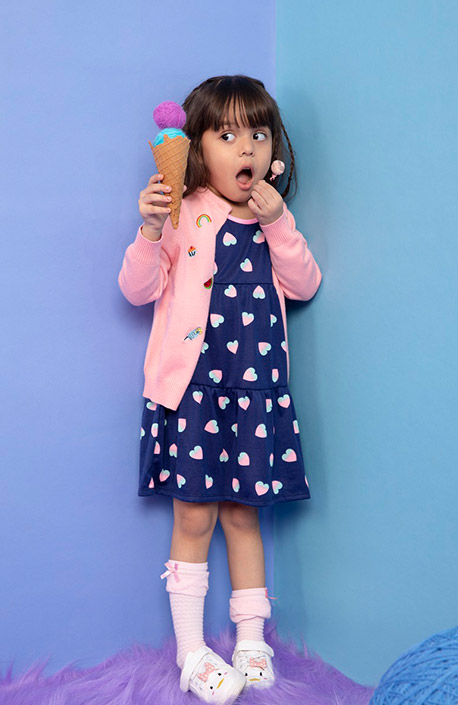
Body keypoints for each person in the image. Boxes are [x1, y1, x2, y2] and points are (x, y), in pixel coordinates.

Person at [118, 75, 322, 704]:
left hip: (255, 391)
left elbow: (305, 282)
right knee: (194, 515)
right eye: (227, 134)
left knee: (243, 514)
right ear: (197, 147)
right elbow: (137, 290)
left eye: (258, 134)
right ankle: (190, 653)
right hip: (193, 392)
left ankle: (252, 637)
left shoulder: (270, 218)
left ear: (273, 150)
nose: (245, 148)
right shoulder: (183, 214)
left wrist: (281, 222)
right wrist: (151, 229)